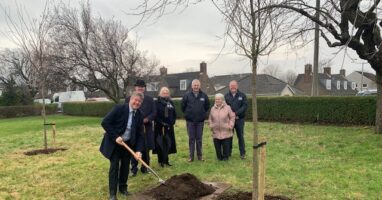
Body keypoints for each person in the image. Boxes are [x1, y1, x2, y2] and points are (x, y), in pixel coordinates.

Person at [99, 92, 144, 200]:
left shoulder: (139, 115)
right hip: (115, 143)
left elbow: (140, 135)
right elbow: (105, 122)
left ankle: (123, 188)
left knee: (125, 166)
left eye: (139, 102)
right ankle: (113, 194)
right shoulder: (119, 108)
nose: (137, 103)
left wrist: (138, 150)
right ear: (130, 99)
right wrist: (115, 136)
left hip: (127, 144)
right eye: (135, 100)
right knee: (114, 167)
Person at [126, 79, 157, 176]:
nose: (140, 88)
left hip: (146, 127)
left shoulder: (150, 99)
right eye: (138, 86)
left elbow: (154, 112)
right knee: (134, 146)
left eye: (142, 87)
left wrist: (147, 119)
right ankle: (133, 169)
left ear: (144, 88)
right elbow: (126, 111)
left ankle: (145, 167)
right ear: (135, 87)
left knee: (146, 148)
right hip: (134, 127)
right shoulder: (129, 99)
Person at [181, 79, 210, 162]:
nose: (196, 86)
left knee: (199, 139)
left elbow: (207, 106)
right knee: (191, 139)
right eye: (194, 85)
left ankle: (200, 156)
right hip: (190, 121)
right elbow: (183, 106)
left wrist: (202, 114)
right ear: (192, 86)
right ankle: (191, 157)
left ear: (199, 86)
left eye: (197, 85)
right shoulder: (187, 95)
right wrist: (187, 114)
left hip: (200, 121)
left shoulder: (204, 95)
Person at [153, 87, 177, 167]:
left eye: (167, 92)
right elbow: (155, 115)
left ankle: (166, 161)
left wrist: (173, 121)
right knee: (160, 144)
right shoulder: (156, 102)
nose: (165, 93)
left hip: (169, 127)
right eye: (164, 92)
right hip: (160, 127)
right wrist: (162, 123)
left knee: (168, 143)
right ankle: (160, 161)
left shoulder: (170, 102)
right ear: (160, 93)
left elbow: (174, 113)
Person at [224, 80, 248, 159]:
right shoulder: (226, 96)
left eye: (234, 85)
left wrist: (236, 114)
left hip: (239, 120)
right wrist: (231, 115)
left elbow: (244, 106)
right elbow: (224, 107)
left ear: (237, 86)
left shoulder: (242, 95)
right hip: (229, 120)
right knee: (229, 137)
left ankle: (242, 153)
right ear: (229, 86)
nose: (233, 87)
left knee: (240, 136)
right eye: (231, 86)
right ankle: (228, 153)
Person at [209, 93, 235, 161]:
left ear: (222, 100)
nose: (217, 100)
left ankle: (226, 158)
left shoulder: (228, 107)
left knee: (226, 148)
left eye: (219, 99)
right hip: (216, 131)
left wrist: (230, 125)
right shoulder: (212, 108)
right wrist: (211, 125)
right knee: (218, 150)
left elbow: (232, 117)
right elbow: (210, 118)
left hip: (226, 131)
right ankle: (219, 157)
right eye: (216, 99)